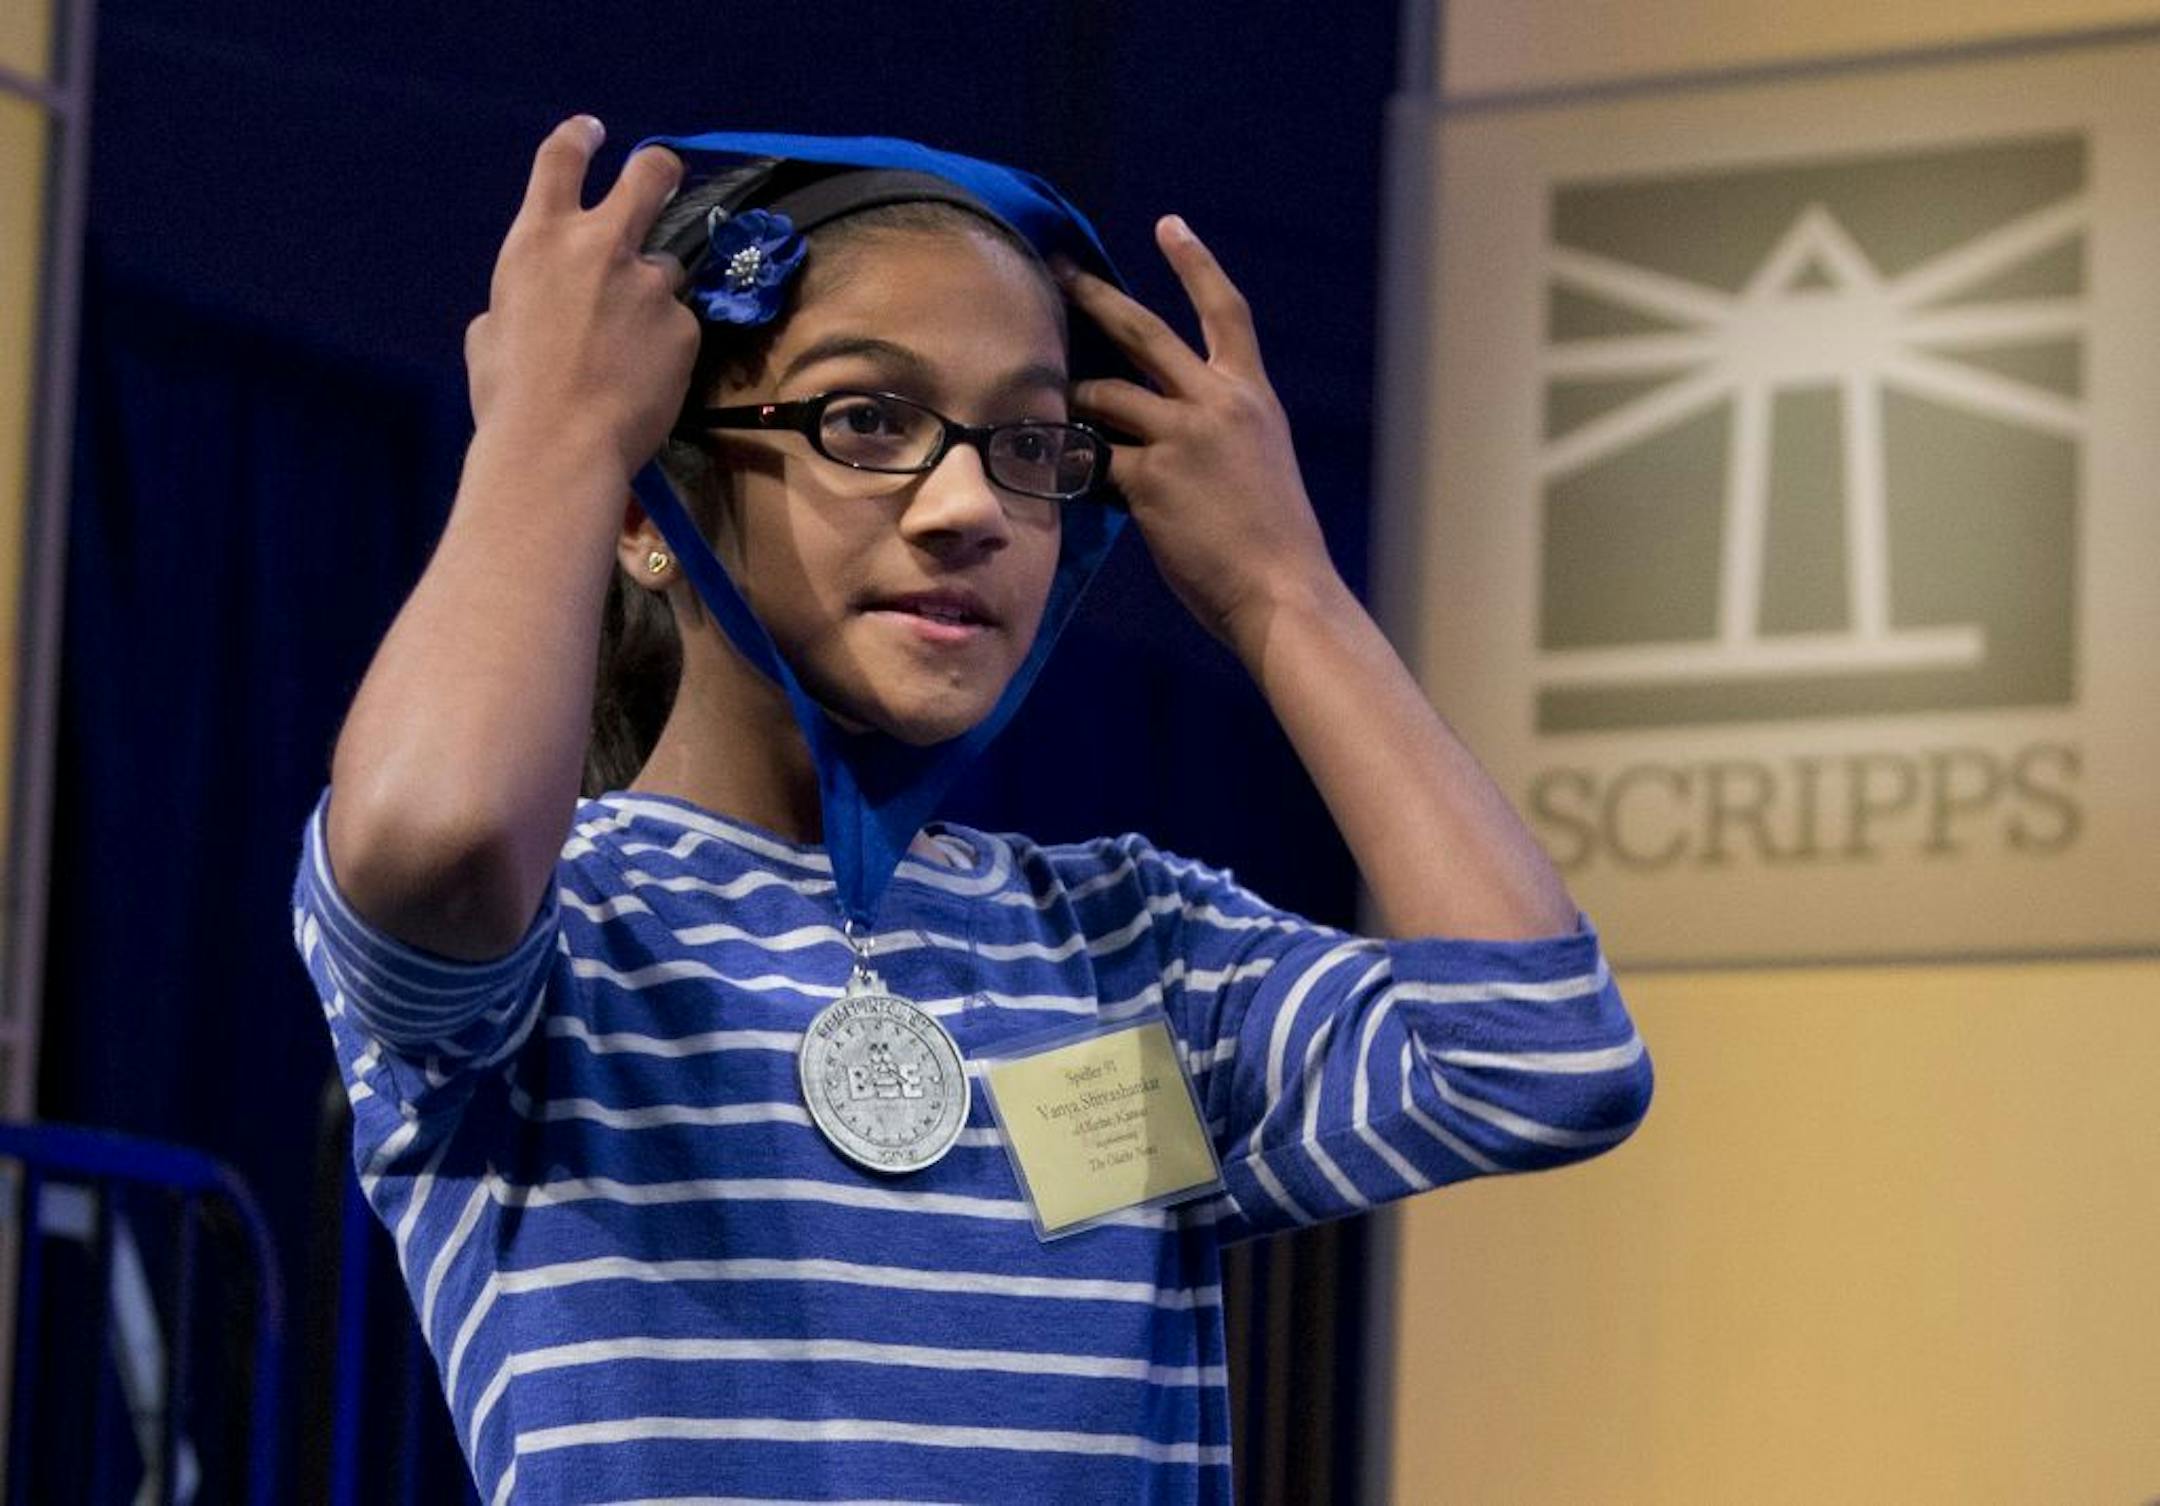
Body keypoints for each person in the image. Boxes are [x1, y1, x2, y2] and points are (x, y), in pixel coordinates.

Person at [292, 116, 1652, 1505]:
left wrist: (1283, 592)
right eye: (864, 419)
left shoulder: (1135, 949)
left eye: (1029, 443)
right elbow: (433, 835)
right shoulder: (564, 929)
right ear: (651, 510)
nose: (968, 507)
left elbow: (1541, 1056)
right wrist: (551, 436)